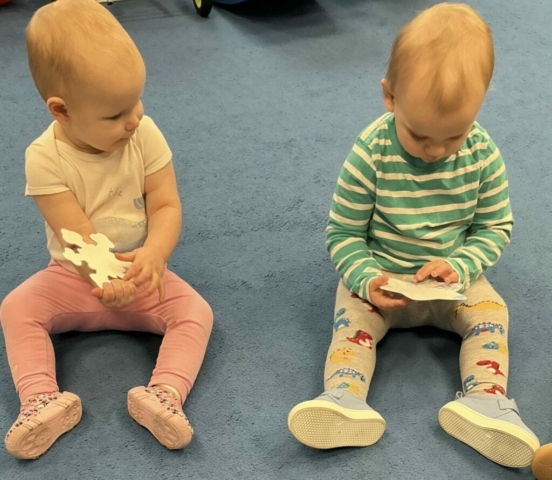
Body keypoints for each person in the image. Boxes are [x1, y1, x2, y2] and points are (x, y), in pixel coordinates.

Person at [287, 3, 540, 469]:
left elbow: (494, 227)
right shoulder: (371, 152)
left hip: (451, 283)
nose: (436, 151)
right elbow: (343, 232)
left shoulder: (483, 154)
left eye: (454, 135)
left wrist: (460, 264)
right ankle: (343, 398)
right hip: (382, 279)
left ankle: (485, 400)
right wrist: (366, 279)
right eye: (419, 135)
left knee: (492, 314)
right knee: (351, 324)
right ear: (390, 96)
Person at [0, 0, 213, 459]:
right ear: (62, 111)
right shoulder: (43, 158)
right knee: (15, 308)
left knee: (197, 312)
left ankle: (165, 395)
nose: (132, 120)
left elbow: (166, 203)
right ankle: (39, 399)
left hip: (141, 272)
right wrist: (103, 278)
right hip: (74, 276)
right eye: (115, 115)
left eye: (136, 102)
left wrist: (155, 253)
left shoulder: (144, 132)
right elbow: (75, 234)